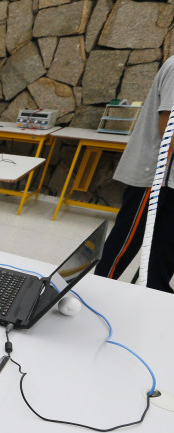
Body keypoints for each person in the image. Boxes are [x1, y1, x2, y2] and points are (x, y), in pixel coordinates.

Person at [95, 56, 174, 293]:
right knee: (126, 240)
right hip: (154, 174)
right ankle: (98, 287)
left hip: (170, 180)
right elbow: (168, 127)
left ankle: (155, 292)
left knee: (166, 244)